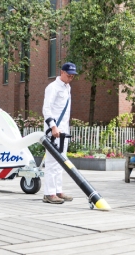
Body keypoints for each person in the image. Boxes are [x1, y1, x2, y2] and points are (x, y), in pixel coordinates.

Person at [42, 62, 76, 204]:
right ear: (62, 72)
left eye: (73, 76)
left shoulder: (67, 87)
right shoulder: (53, 87)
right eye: (68, 75)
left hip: (63, 130)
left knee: (61, 161)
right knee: (51, 162)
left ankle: (58, 190)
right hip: (54, 130)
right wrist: (53, 126)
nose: (70, 78)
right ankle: (49, 193)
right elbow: (46, 108)